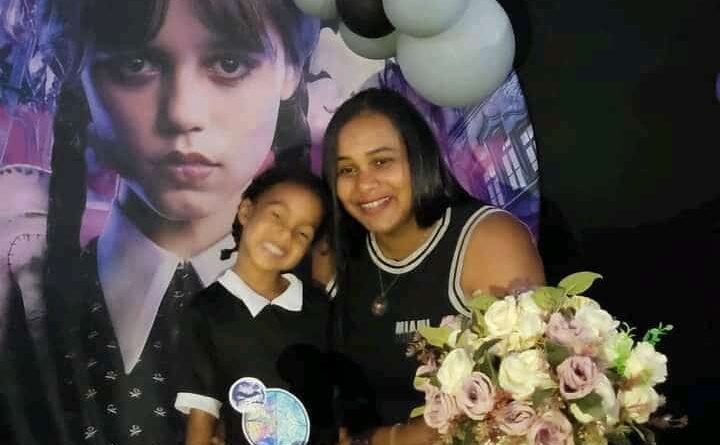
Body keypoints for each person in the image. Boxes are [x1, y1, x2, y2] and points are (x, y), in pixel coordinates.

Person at [0, 1, 320, 444]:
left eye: (229, 63)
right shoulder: (19, 315)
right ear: (77, 71)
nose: (183, 113)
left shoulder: (326, 308)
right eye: (135, 64)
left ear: (292, 68)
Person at [317, 88, 545, 445]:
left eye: (382, 162)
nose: (365, 184)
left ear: (419, 157)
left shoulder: (488, 240)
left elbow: (521, 401)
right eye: (347, 169)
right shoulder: (332, 254)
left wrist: (386, 440)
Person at [174, 164, 336, 445]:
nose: (285, 235)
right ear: (246, 211)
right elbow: (201, 421)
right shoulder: (207, 312)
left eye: (302, 233)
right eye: (277, 216)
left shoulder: (321, 309)